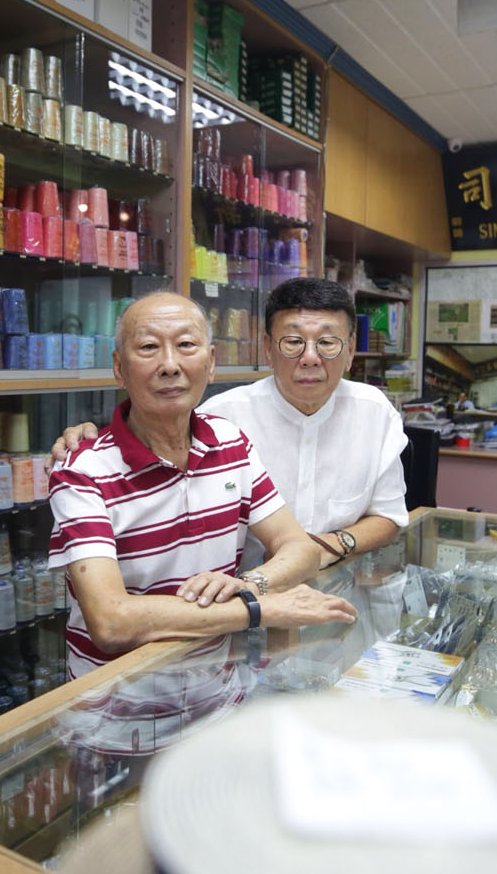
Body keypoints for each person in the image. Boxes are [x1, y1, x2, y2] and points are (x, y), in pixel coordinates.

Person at [48, 291, 357, 683]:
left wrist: (249, 584)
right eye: (147, 347)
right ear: (118, 368)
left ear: (210, 363)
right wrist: (260, 608)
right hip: (122, 714)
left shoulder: (231, 444)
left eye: (186, 345)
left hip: (221, 695)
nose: (170, 365)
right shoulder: (81, 470)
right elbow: (111, 622)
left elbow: (299, 548)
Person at [51, 278, 409, 573]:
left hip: (339, 586)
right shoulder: (224, 420)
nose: (310, 358)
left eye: (328, 343)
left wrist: (330, 546)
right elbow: (156, 423)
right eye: (293, 342)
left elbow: (390, 516)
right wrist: (91, 439)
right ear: (267, 348)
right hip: (239, 610)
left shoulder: (374, 412)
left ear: (349, 353)